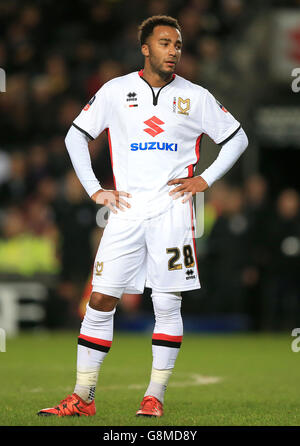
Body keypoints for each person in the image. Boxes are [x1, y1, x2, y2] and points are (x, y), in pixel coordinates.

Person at [37, 15, 248, 418]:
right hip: (126, 211)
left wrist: (206, 178)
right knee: (99, 299)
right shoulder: (116, 91)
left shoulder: (196, 97)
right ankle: (83, 396)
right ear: (146, 49)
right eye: (166, 43)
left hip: (173, 212)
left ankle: (154, 395)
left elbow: (237, 138)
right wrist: (94, 188)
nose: (174, 51)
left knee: (166, 302)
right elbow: (75, 135)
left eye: (179, 45)